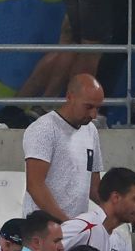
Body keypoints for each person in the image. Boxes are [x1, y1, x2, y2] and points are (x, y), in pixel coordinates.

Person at [24, 76, 105, 223]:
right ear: (70, 97)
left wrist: (122, 210)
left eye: (98, 108)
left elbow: (94, 187)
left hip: (74, 228)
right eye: (88, 107)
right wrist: (66, 222)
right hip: (43, 231)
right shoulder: (44, 128)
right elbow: (35, 185)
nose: (94, 115)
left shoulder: (91, 130)